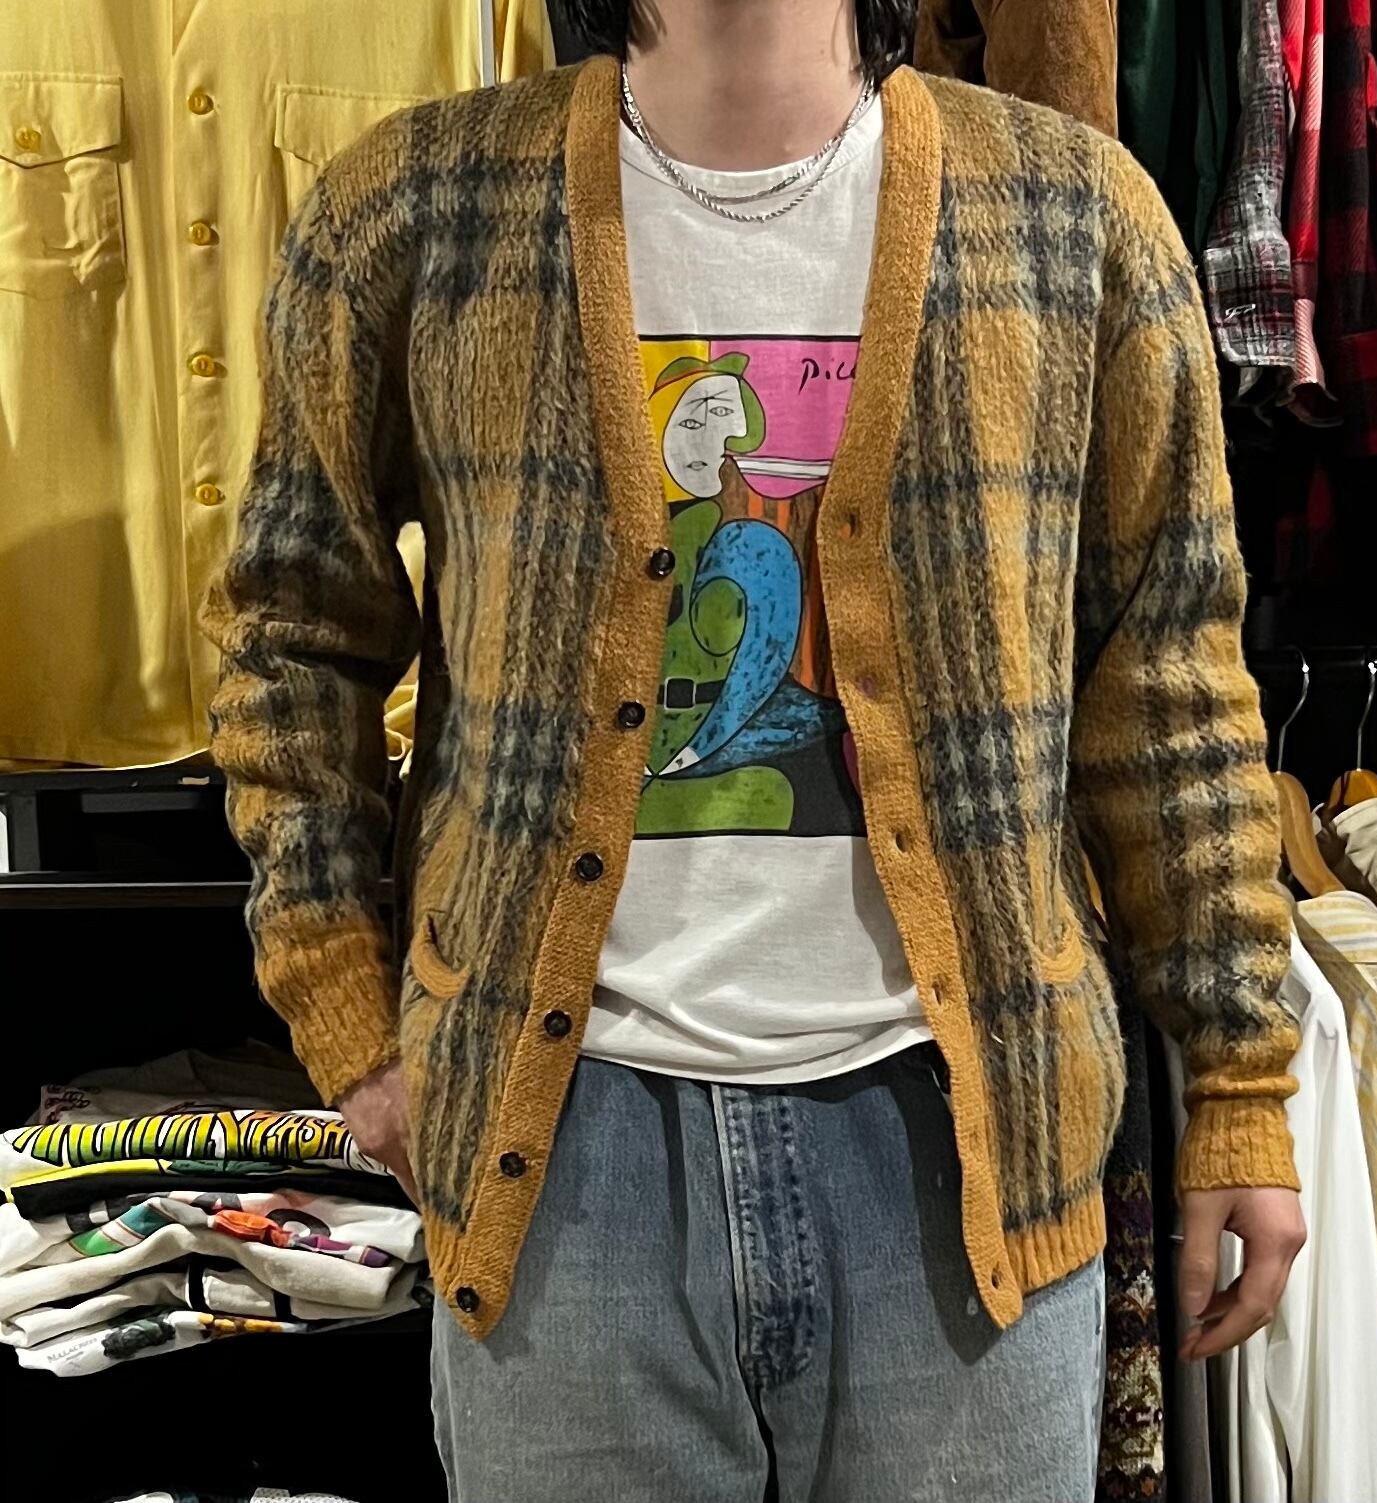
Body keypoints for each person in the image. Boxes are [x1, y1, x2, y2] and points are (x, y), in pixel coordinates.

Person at [201, 0, 1308, 1495]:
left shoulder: (1073, 219)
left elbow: (1168, 678)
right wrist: (347, 1018)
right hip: (560, 1159)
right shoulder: (416, 211)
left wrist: (1239, 1083)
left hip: (968, 1139)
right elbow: (293, 632)